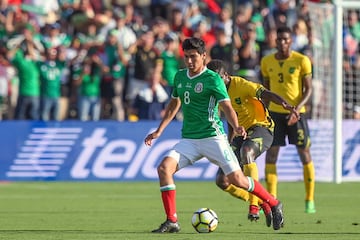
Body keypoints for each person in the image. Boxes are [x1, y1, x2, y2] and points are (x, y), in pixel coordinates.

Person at [144, 37, 284, 233]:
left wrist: (236, 126)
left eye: (193, 57)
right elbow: (173, 105)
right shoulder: (180, 77)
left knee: (238, 180)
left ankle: (273, 202)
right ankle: (172, 221)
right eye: (186, 57)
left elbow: (227, 106)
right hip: (190, 140)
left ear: (203, 56)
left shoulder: (213, 79)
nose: (190, 61)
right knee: (164, 169)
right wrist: (159, 131)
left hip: (213, 137)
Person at [207, 59, 297, 224]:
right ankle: (266, 202)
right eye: (212, 79)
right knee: (222, 180)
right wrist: (229, 140)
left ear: (226, 75)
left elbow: (265, 93)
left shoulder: (241, 85)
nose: (215, 82)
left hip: (262, 127)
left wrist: (285, 104)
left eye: (218, 78)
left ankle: (254, 206)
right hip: (241, 133)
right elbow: (229, 116)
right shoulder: (215, 93)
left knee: (247, 153)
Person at [260, 26, 316, 214]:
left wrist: (297, 110)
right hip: (275, 114)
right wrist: (264, 113)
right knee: (271, 154)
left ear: (291, 40)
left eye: (285, 39)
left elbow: (308, 89)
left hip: (297, 113)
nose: (282, 43)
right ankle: (271, 199)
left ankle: (309, 199)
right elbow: (266, 91)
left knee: (304, 153)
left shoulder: (302, 60)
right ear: (275, 41)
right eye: (279, 39)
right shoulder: (266, 61)